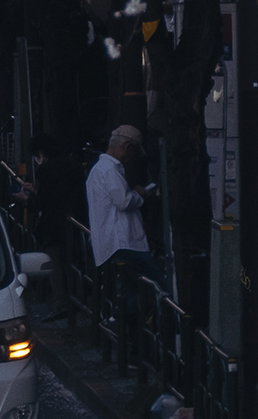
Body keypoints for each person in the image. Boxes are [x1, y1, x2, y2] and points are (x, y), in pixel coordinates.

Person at [86, 124, 157, 362]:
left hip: (112, 243)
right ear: (127, 148)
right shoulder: (110, 169)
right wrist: (141, 194)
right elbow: (123, 201)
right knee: (156, 287)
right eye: (132, 152)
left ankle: (134, 349)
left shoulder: (99, 170)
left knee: (132, 291)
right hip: (125, 242)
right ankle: (116, 319)